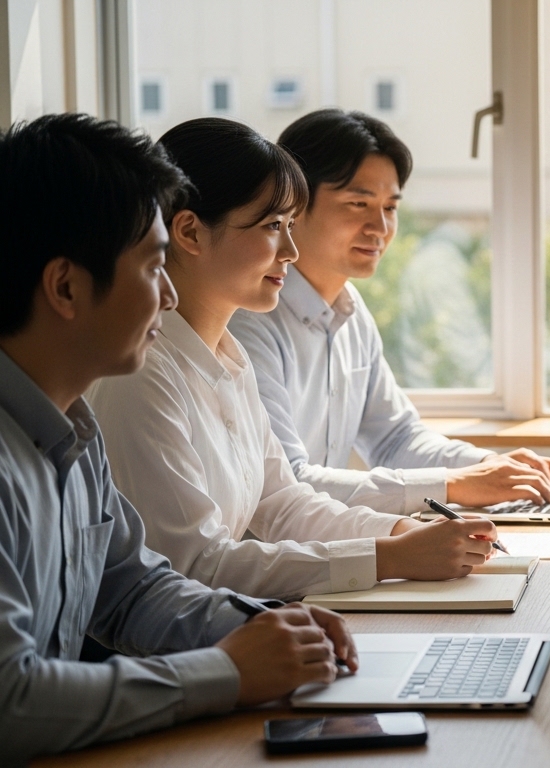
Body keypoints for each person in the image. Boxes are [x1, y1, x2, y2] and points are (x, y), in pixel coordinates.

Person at [0, 113, 359, 761]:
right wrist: (226, 672)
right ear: (65, 287)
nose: (167, 294)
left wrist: (262, 626)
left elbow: (133, 587)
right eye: (149, 266)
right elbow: (10, 702)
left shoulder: (70, 435)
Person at [89, 118, 499, 602]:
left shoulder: (228, 355)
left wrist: (400, 531)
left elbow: (282, 502)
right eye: (272, 227)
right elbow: (193, 565)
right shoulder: (144, 374)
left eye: (288, 225)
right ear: (190, 232)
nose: (290, 249)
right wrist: (390, 556)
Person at [226, 109, 550, 517]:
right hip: (275, 561)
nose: (380, 227)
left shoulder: (351, 313)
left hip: (325, 543)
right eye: (358, 203)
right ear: (294, 205)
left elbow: (394, 438)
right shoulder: (249, 320)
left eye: (390, 207)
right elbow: (287, 483)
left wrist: (490, 467)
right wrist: (454, 485)